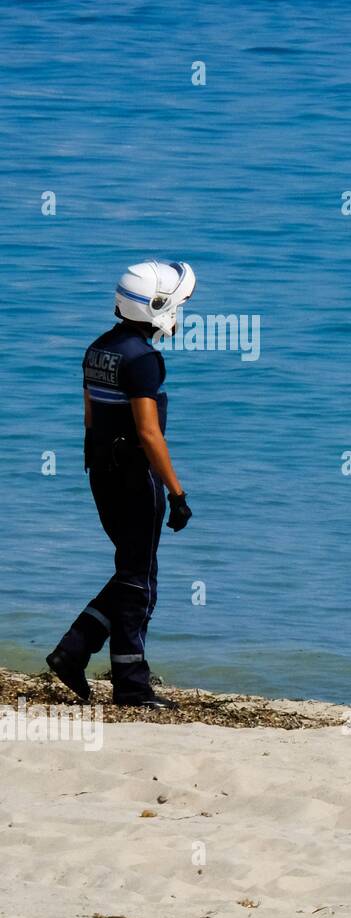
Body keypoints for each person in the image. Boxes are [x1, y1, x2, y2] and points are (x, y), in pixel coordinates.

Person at [46, 260, 196, 708]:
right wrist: (177, 493)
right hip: (135, 478)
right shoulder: (145, 360)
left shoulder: (98, 349)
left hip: (101, 473)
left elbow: (91, 418)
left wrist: (100, 466)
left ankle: (74, 649)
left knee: (133, 571)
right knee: (139, 581)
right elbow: (149, 433)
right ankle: (131, 683)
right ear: (157, 308)